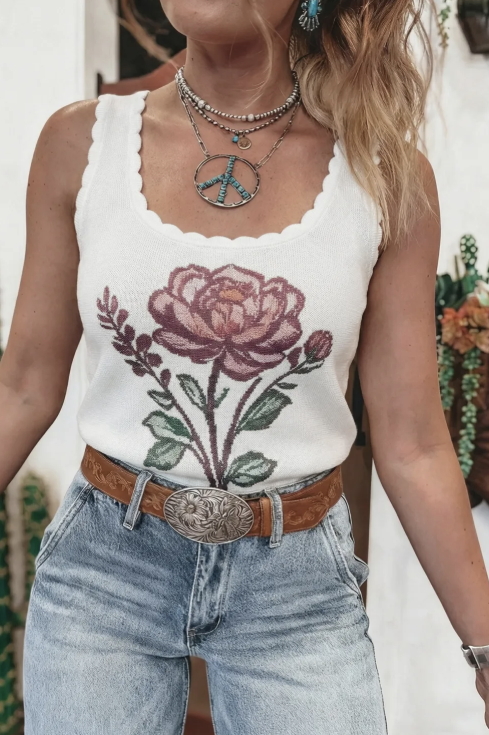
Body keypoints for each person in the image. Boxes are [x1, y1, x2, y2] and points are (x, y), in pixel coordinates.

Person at [2, 0, 488, 732]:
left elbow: (414, 443)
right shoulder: (81, 144)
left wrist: (485, 647)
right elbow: (22, 388)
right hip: (103, 576)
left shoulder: (386, 177)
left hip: (297, 596)